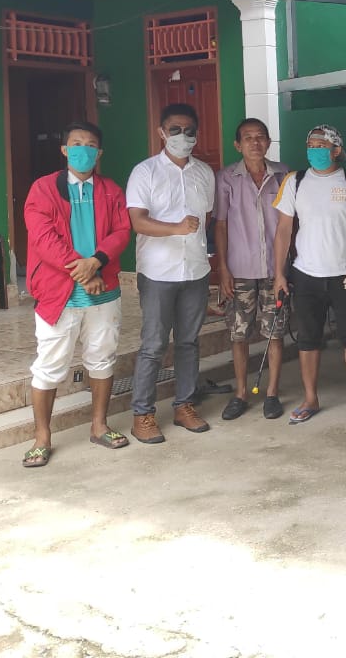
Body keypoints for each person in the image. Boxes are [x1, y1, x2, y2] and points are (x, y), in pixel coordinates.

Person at [21, 121, 131, 467]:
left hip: (103, 291)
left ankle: (99, 426)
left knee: (102, 358)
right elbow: (43, 238)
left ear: (99, 153)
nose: (84, 149)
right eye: (77, 143)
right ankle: (42, 438)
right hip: (59, 294)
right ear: (65, 150)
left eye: (91, 144)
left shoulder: (111, 190)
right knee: (49, 366)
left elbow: (122, 231)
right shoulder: (43, 189)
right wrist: (83, 273)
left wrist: (96, 262)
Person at [272, 124, 346, 423]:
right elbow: (283, 230)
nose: (315, 150)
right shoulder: (295, 181)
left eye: (321, 145)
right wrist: (279, 274)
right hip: (306, 273)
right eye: (311, 145)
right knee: (308, 338)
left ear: (336, 150)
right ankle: (310, 398)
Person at [126, 102, 216, 443]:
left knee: (189, 342)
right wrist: (176, 228)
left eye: (189, 130)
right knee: (153, 344)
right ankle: (142, 414)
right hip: (158, 273)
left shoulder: (204, 173)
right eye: (175, 129)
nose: (182, 136)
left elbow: (208, 218)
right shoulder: (145, 172)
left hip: (195, 270)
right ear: (161, 132)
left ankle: (184, 406)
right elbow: (138, 221)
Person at [215, 117, 291, 422]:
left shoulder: (283, 174)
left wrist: (286, 267)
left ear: (268, 142)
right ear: (238, 145)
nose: (255, 143)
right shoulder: (226, 178)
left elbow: (290, 224)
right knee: (239, 334)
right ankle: (241, 393)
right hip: (240, 269)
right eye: (248, 138)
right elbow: (221, 224)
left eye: (260, 137)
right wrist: (223, 269)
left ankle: (271, 393)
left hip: (276, 269)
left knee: (275, 332)